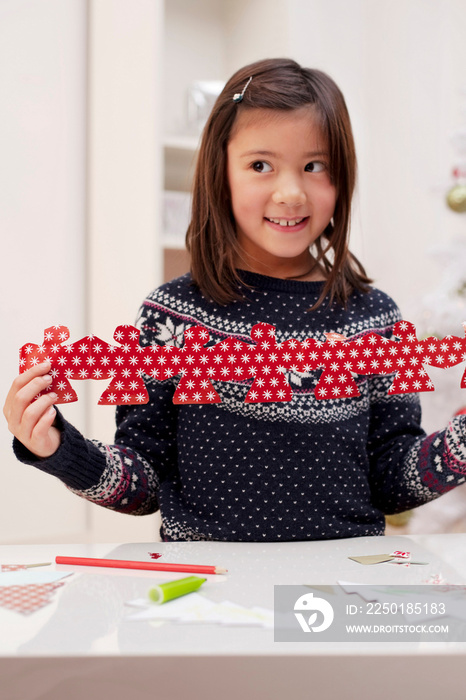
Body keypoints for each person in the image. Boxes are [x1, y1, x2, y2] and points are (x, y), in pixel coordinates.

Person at [4, 58, 466, 542]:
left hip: (338, 592)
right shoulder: (171, 318)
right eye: (260, 165)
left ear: (341, 176)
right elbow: (143, 486)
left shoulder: (375, 319)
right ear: (220, 171)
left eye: (314, 166)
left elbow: (393, 482)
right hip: (209, 592)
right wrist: (58, 447)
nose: (291, 193)